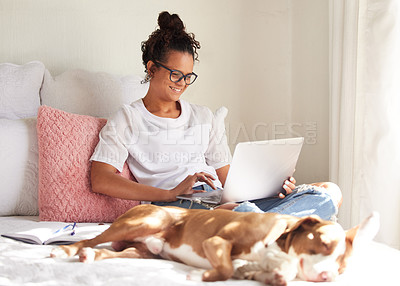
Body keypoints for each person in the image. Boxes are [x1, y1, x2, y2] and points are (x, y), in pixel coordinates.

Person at [90, 11, 342, 221]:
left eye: (188, 76)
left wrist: (273, 186)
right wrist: (169, 192)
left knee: (330, 191)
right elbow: (101, 179)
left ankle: (269, 224)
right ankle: (284, 224)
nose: (182, 83)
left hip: (219, 201)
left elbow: (228, 180)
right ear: (152, 68)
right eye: (176, 74)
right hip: (175, 205)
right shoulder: (129, 118)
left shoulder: (203, 116)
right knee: (239, 213)